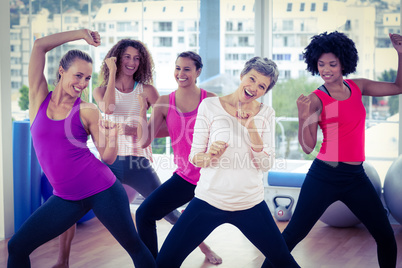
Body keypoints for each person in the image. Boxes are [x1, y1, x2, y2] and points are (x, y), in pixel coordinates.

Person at [7, 29, 156, 268]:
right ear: (61, 71)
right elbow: (39, 47)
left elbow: (107, 158)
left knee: (135, 247)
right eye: (78, 76)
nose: (82, 84)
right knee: (17, 247)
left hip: (103, 189)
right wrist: (81, 35)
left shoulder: (87, 110)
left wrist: (113, 135)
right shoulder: (38, 98)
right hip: (66, 197)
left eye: (87, 78)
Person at [266, 31, 402, 268]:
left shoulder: (358, 86)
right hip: (325, 175)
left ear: (344, 63)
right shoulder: (316, 99)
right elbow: (308, 147)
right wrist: (303, 116)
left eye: (332, 64)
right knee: (293, 235)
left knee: (385, 236)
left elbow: (398, 87)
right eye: (321, 64)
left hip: (356, 177)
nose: (326, 69)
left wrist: (401, 53)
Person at [153, 57, 301, 268]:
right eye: (251, 79)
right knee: (165, 263)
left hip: (250, 203)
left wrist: (251, 128)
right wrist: (210, 155)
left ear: (266, 91)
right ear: (242, 75)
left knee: (285, 263)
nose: (254, 88)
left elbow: (266, 164)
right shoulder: (210, 105)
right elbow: (195, 156)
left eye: (262, 86)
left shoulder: (266, 113)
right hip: (208, 200)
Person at [51, 38, 183, 268]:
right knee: (74, 203)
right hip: (109, 160)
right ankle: (62, 261)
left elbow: (169, 127)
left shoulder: (147, 91)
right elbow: (109, 108)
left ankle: (204, 246)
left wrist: (142, 129)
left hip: (138, 161)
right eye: (127, 57)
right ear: (117, 59)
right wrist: (112, 73)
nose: (132, 62)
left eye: (137, 58)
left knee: (168, 210)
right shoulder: (101, 90)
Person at [135, 51, 223, 264]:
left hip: (211, 178)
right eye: (177, 68)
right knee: (144, 214)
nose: (180, 73)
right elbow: (144, 141)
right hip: (185, 178)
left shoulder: (210, 100)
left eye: (187, 69)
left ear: (198, 71)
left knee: (188, 225)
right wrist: (141, 110)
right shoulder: (164, 102)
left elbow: (225, 137)